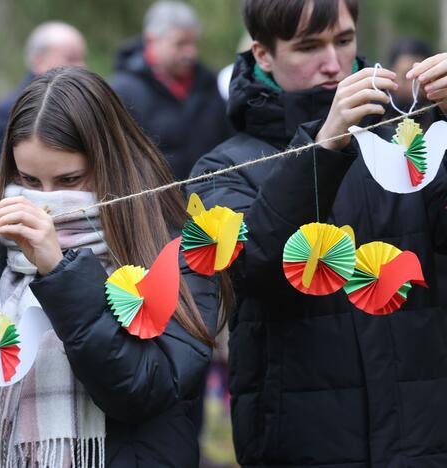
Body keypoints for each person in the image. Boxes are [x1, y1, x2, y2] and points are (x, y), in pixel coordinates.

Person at [187, 0, 447, 466]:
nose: (332, 64)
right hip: (300, 440)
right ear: (263, 54)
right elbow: (256, 270)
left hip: (423, 436)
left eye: (344, 41)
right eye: (309, 46)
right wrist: (322, 145)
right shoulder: (226, 166)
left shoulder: (408, 144)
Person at [0, 67, 230, 467]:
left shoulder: (176, 246)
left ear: (111, 163)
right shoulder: (4, 246)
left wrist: (59, 271)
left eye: (69, 179)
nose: (47, 200)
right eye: (29, 179)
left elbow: (143, 390)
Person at [0, 21, 87, 212]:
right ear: (38, 60)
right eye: (71, 58)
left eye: (69, 180)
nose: (81, 66)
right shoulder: (3, 116)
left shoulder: (85, 107)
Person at [110, 1, 232, 179]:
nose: (190, 53)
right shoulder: (123, 91)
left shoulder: (207, 83)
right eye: (180, 44)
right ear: (152, 40)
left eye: (193, 43)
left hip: (211, 195)